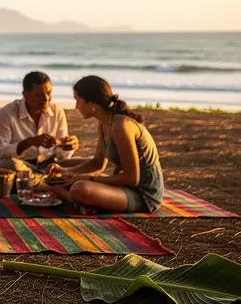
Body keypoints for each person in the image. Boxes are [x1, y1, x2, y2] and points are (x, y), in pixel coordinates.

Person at [47, 75, 165, 213]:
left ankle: (71, 198)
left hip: (143, 194)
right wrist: (66, 171)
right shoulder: (104, 123)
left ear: (93, 105)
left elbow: (132, 178)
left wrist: (89, 178)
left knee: (79, 189)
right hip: (125, 188)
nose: (76, 106)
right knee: (67, 179)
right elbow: (97, 163)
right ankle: (81, 202)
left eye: (78, 101)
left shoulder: (120, 126)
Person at [0, 71, 80, 184]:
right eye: (39, 95)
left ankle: (37, 181)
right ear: (25, 95)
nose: (46, 99)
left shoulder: (57, 111)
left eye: (49, 93)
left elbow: (62, 156)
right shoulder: (8, 112)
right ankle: (47, 180)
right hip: (22, 164)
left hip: (51, 165)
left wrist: (68, 146)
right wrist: (28, 143)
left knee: (87, 163)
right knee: (5, 165)